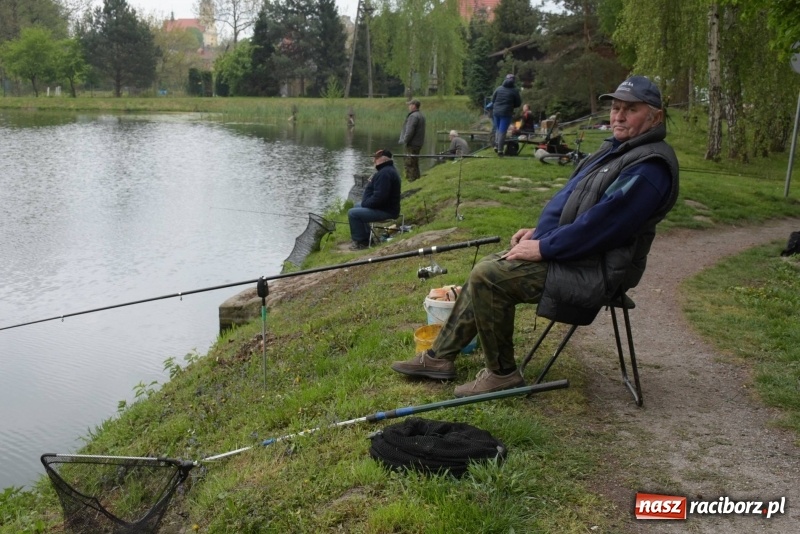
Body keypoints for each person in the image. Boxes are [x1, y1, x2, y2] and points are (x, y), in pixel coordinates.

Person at [391, 75, 680, 397]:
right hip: (578, 254)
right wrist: (540, 233)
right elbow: (576, 204)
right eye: (616, 108)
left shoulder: (649, 167)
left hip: (597, 268)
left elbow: (601, 227)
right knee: (489, 265)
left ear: (655, 116)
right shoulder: (616, 150)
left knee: (490, 276)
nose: (619, 116)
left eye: (631, 109)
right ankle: (439, 358)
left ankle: (502, 374)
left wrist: (544, 247)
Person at [348, 149, 402, 250]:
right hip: (386, 207)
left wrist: (367, 195)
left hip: (387, 211)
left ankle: (361, 242)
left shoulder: (384, 174)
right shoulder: (388, 170)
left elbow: (379, 198)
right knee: (357, 206)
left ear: (383, 160)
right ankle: (367, 238)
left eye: (376, 159)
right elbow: (379, 196)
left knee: (353, 213)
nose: (374, 161)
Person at [490, 74, 522, 157]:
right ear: (513, 81)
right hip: (506, 113)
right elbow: (518, 103)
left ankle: (496, 145)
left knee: (498, 129)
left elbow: (493, 100)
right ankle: (500, 151)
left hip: (496, 112)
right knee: (502, 131)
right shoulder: (514, 91)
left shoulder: (498, 88)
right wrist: (511, 105)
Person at [399, 99, 426, 181]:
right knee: (415, 163)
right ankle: (417, 179)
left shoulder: (413, 116)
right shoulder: (421, 115)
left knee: (409, 163)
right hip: (418, 143)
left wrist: (405, 140)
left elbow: (409, 131)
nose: (408, 106)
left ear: (414, 105)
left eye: (410, 105)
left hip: (412, 144)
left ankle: (411, 181)